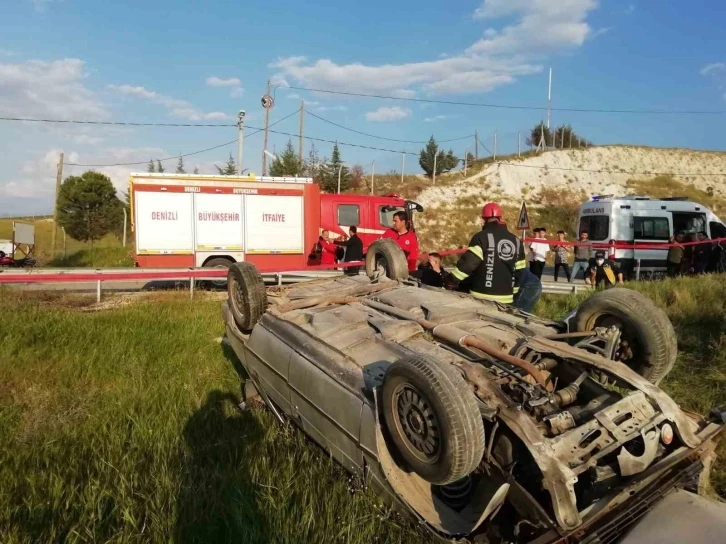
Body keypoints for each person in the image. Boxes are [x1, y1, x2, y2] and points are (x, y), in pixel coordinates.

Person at [445, 202, 526, 304]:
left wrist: (450, 280)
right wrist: (512, 290)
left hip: (481, 296)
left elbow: (468, 264)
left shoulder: (481, 237)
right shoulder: (516, 241)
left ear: (483, 220)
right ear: (500, 219)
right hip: (506, 299)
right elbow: (520, 271)